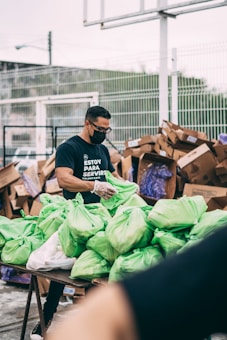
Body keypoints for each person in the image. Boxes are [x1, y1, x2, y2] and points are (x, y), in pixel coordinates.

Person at [30, 105, 123, 340]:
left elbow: (113, 177)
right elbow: (64, 179)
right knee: (61, 273)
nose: (103, 133)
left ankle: (94, 327)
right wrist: (93, 186)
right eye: (100, 128)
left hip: (101, 219)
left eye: (107, 129)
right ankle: (45, 322)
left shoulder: (101, 149)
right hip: (76, 219)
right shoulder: (69, 147)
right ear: (87, 124)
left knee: (96, 271)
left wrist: (127, 187)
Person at [46, 223, 227, 340]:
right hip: (86, 218)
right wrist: (94, 185)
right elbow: (102, 315)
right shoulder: (219, 256)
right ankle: (44, 321)